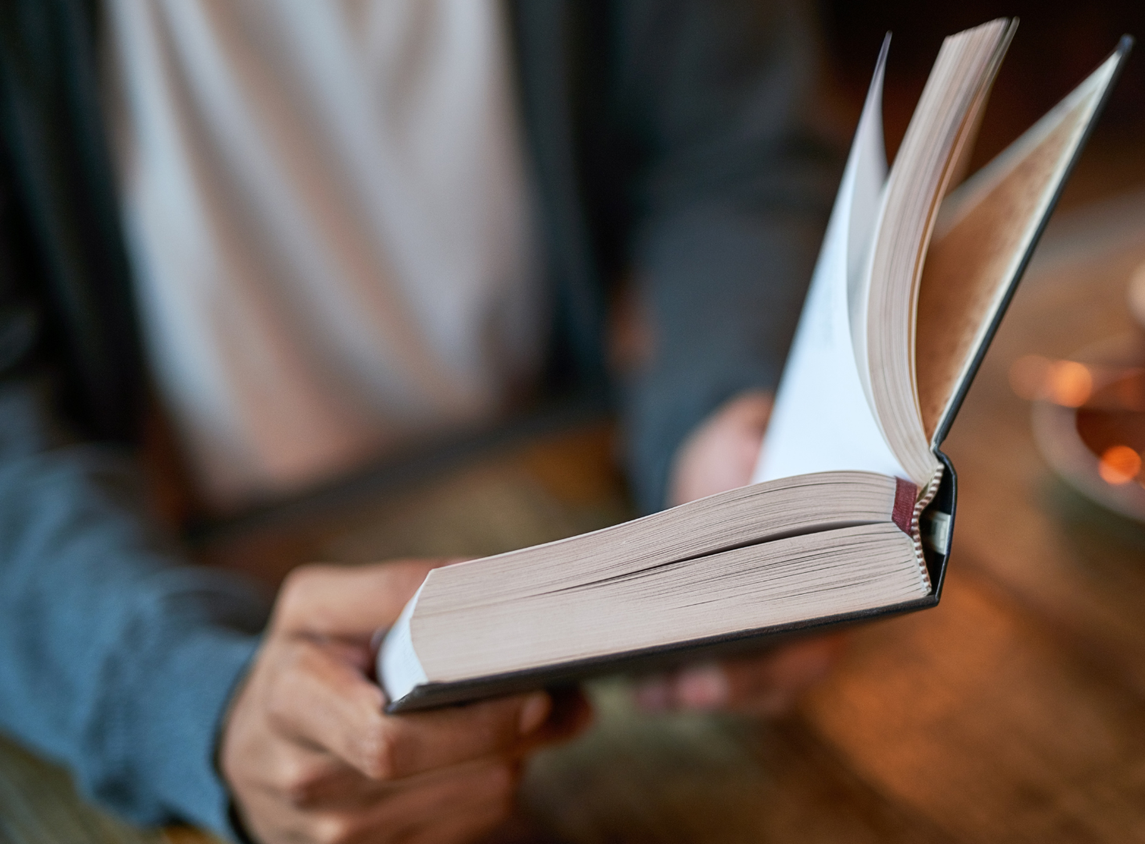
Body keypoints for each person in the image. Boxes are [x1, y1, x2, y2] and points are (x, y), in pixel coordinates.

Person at [0, 1, 845, 842]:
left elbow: (735, 151)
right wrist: (193, 706)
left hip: (568, 489)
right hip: (149, 585)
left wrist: (724, 413)